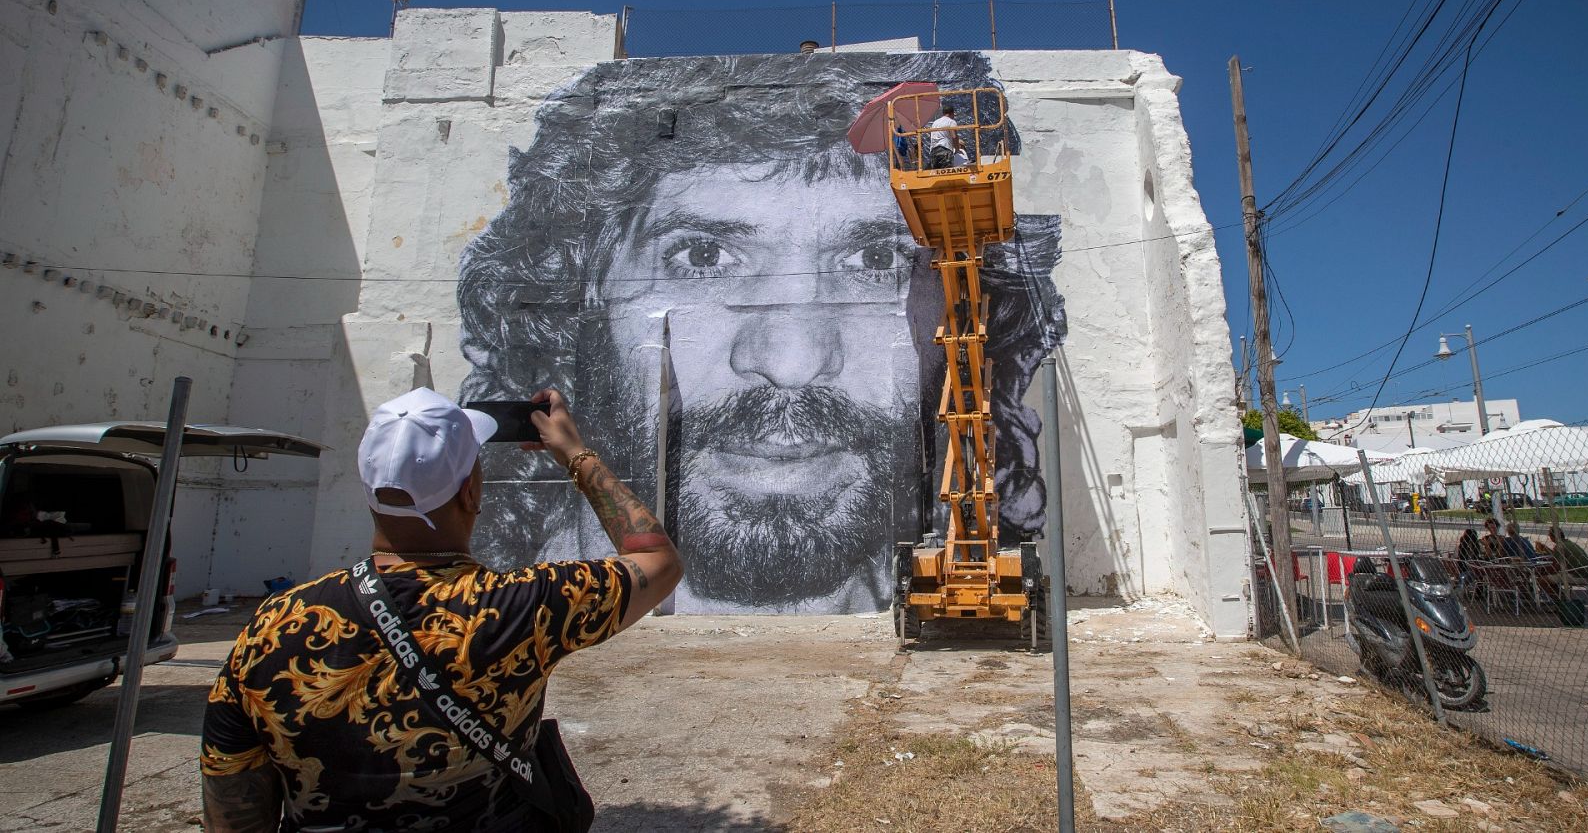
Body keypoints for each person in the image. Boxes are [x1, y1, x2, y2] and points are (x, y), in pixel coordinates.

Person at [457, 52, 1066, 614]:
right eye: (703, 257)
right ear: (583, 294)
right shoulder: (504, 619)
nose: (792, 360)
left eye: (876, 259)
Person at [199, 388, 682, 831]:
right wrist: (574, 452)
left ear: (368, 491)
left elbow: (233, 805)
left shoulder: (273, 625)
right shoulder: (522, 605)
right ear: (471, 493)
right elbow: (656, 559)